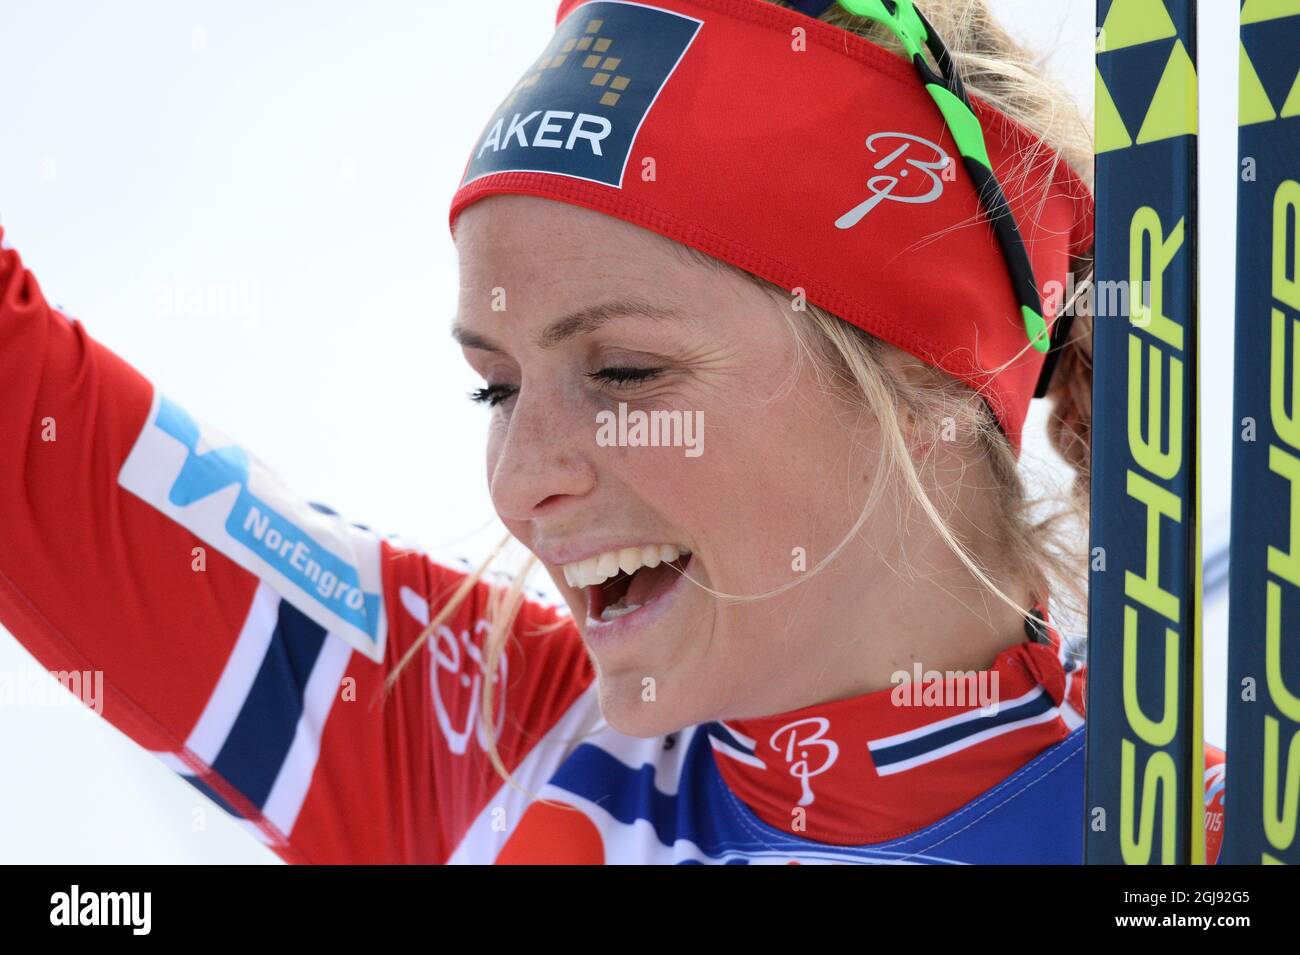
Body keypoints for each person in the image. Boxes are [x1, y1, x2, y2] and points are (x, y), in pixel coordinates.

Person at [0, 0, 1224, 864]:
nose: (522, 478)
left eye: (625, 369)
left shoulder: (1203, 837)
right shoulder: (478, 739)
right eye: (495, 387)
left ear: (932, 386)